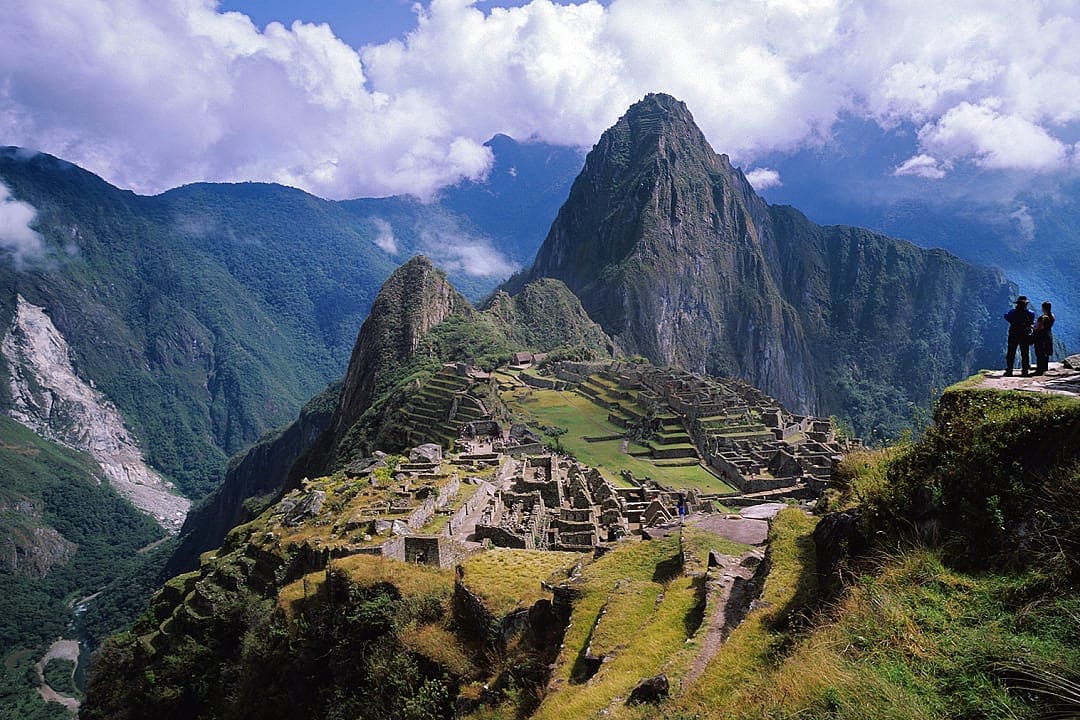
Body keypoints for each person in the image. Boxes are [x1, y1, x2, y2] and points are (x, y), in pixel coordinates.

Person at [1004, 296, 1035, 376]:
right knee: (1024, 353)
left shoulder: (1013, 312)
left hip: (1013, 334)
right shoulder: (1030, 313)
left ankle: (1009, 370)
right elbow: (1032, 321)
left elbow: (1006, 316)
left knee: (1011, 352)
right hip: (1025, 334)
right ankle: (1025, 371)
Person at [1032, 301, 1055, 375]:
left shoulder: (1042, 318)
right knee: (1046, 352)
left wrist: (1032, 327)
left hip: (1040, 337)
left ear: (1043, 308)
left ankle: (1039, 370)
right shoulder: (1052, 316)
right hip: (1048, 335)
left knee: (1039, 352)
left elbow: (1039, 327)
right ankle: (1044, 367)